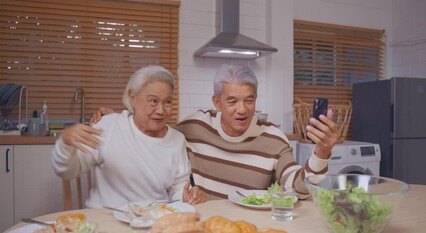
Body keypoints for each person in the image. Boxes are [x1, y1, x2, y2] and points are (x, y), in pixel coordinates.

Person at [92, 64, 340, 200]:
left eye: (249, 100)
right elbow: (155, 131)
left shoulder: (273, 138)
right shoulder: (194, 126)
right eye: (231, 101)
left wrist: (322, 151)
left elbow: (300, 188)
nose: (242, 110)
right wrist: (121, 118)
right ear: (216, 102)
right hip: (200, 223)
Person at [52, 65, 206, 208]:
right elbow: (67, 172)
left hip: (153, 220)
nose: (161, 110)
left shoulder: (177, 140)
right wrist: (65, 144)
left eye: (167, 102)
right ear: (133, 98)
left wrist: (186, 197)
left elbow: (178, 187)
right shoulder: (108, 126)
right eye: (153, 101)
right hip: (107, 218)